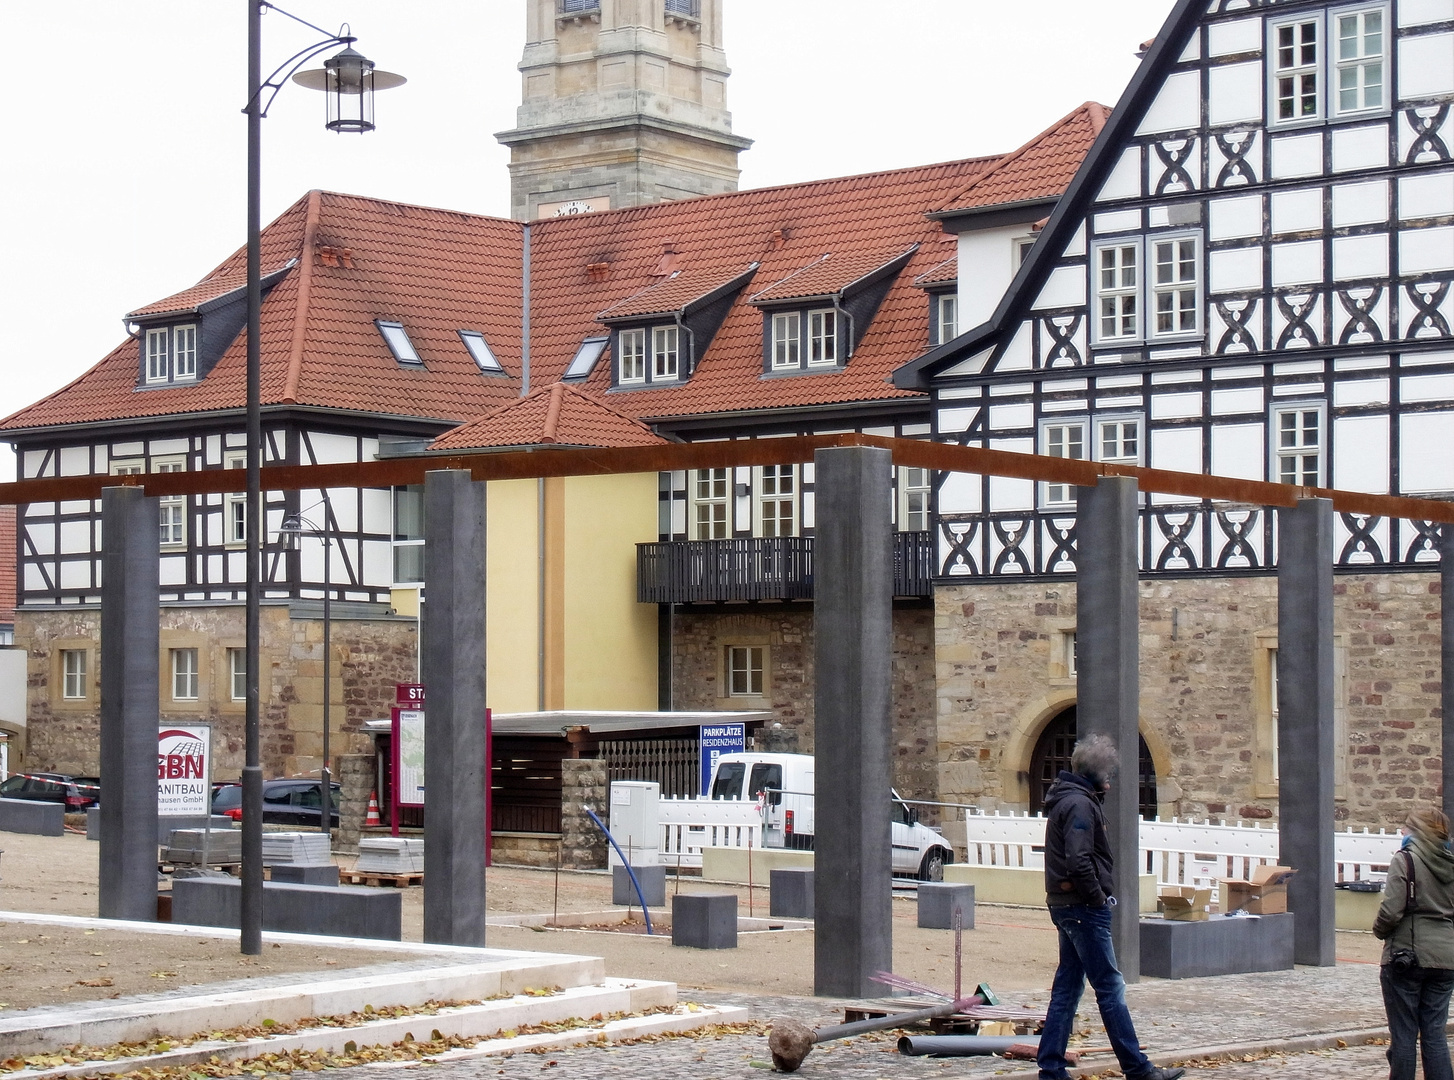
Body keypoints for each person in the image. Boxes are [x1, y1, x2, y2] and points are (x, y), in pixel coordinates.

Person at [1037, 734, 1184, 1080]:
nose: (1111, 782)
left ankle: (1052, 1068)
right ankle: (1138, 1069)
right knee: (1109, 987)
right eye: (1110, 775)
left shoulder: (1070, 799)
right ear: (1097, 775)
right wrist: (1098, 897)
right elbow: (1078, 859)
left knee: (1068, 987)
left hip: (1068, 904)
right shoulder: (1080, 804)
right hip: (1082, 907)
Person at [1373, 806, 1454, 1080]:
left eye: (1406, 827)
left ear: (1417, 832)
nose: (1402, 832)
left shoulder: (1406, 859)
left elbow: (1391, 910)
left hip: (1407, 956)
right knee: (1434, 1033)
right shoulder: (1451, 861)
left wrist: (1379, 931)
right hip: (1446, 959)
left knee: (1405, 1035)